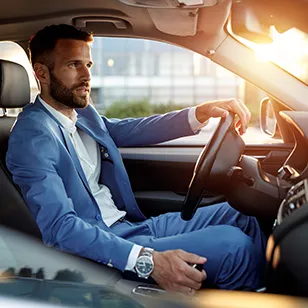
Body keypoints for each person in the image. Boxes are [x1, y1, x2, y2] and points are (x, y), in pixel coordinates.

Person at [6, 24, 267, 295]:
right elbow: (60, 228)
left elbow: (125, 129)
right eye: (74, 65)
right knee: (234, 246)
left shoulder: (80, 111)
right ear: (42, 74)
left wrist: (199, 113)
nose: (86, 76)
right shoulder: (32, 136)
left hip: (131, 226)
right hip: (106, 244)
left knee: (242, 213)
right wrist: (146, 260)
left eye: (88, 64)